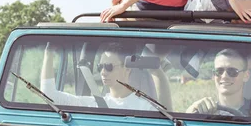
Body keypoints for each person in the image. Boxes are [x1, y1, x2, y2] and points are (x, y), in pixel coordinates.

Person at [40, 42, 171, 111]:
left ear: (127, 69)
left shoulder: (145, 107)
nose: (103, 72)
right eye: (100, 66)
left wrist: (158, 71)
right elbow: (49, 95)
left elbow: (168, 121)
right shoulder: (93, 104)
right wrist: (48, 53)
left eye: (109, 66)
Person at [186, 48, 251, 117]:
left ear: (246, 76)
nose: (224, 76)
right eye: (219, 71)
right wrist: (190, 113)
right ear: (213, 75)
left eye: (232, 71)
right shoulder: (204, 111)